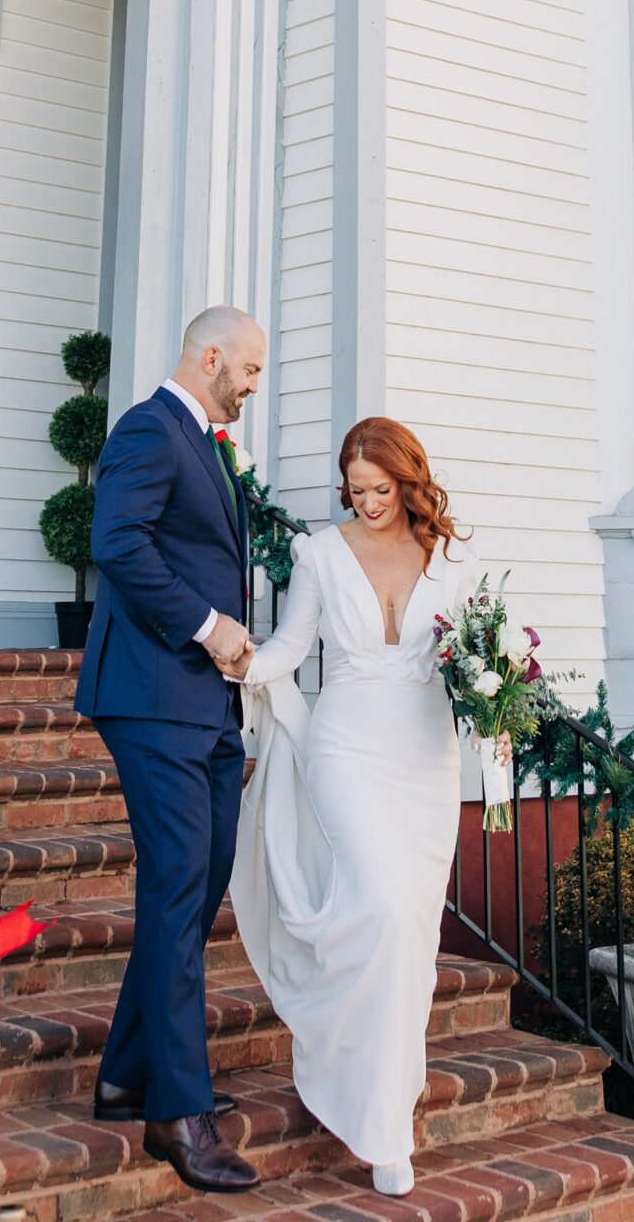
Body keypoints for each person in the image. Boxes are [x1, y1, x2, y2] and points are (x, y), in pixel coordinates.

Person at [230, 416, 469, 1198]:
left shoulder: (446, 557)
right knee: (384, 908)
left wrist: (502, 691)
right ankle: (358, 1093)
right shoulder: (321, 553)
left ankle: (387, 1108)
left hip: (426, 756)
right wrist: (239, 657)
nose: (366, 503)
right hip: (346, 746)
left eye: (381, 489)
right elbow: (293, 649)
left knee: (412, 937)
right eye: (356, 490)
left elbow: (472, 655)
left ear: (408, 483)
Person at [74, 305, 265, 1193]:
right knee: (180, 877)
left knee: (201, 876)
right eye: (251, 368)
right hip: (153, 692)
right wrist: (207, 626)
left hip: (206, 703)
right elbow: (116, 542)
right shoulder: (148, 429)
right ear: (212, 354)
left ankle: (123, 1073)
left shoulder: (208, 444)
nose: (256, 384)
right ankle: (176, 1113)